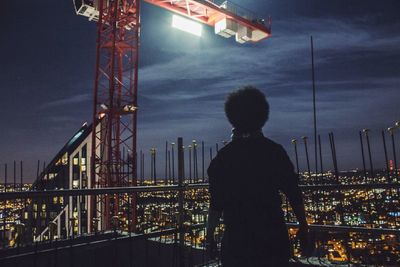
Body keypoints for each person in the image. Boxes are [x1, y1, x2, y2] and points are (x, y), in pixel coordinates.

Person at [206, 86, 311, 266]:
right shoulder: (274, 152)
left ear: (233, 118)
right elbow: (293, 192)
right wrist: (303, 225)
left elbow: (216, 203)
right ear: (262, 117)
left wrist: (209, 237)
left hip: (237, 244)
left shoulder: (223, 158)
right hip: (273, 241)